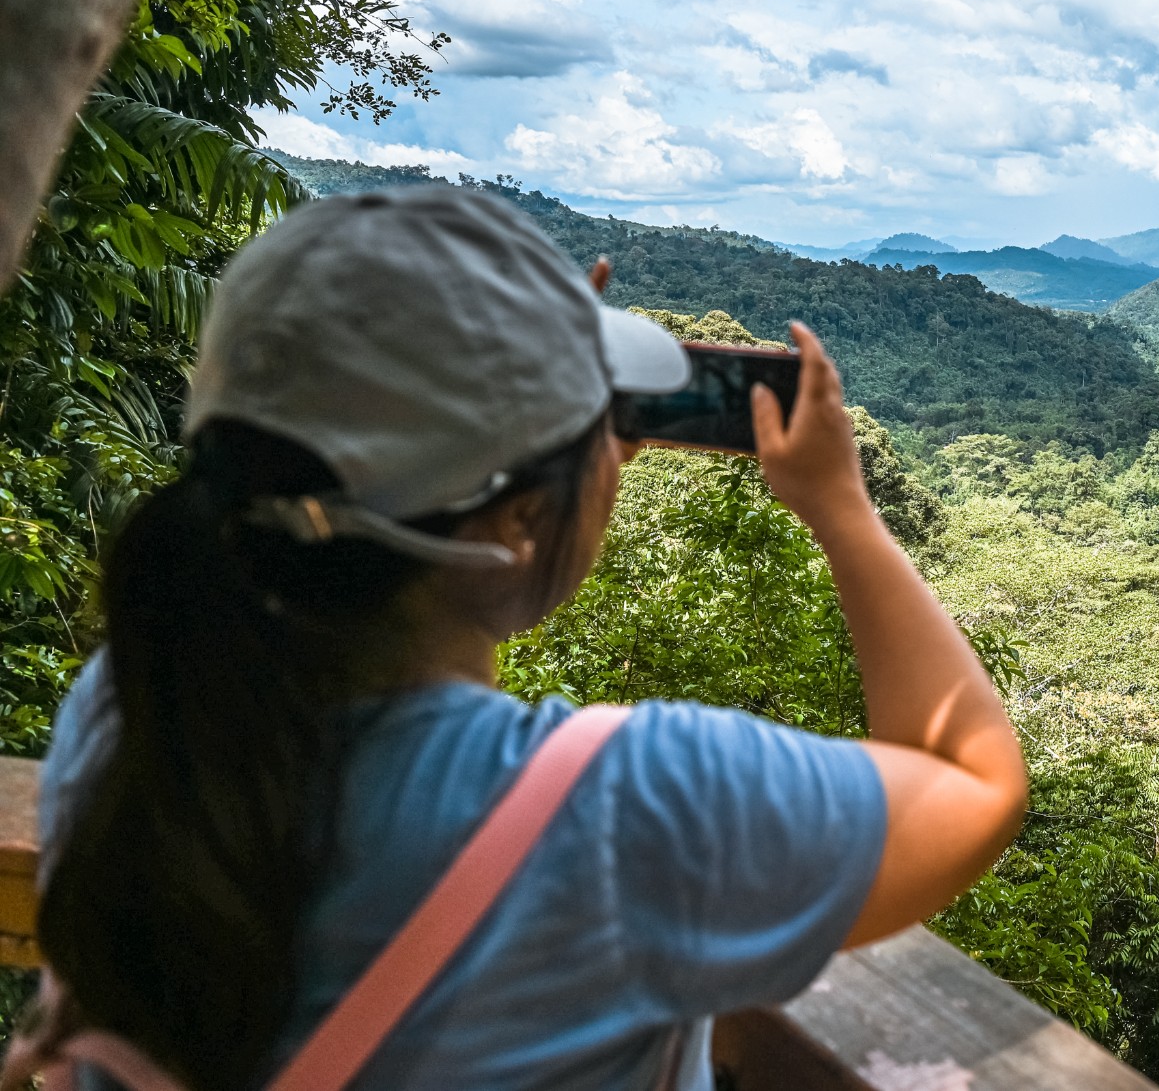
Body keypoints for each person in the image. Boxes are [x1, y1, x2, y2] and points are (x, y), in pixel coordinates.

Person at [20, 187, 1029, 1089]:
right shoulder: (623, 810)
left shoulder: (132, 704)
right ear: (506, 525)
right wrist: (840, 509)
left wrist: (548, 477)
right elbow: (972, 779)